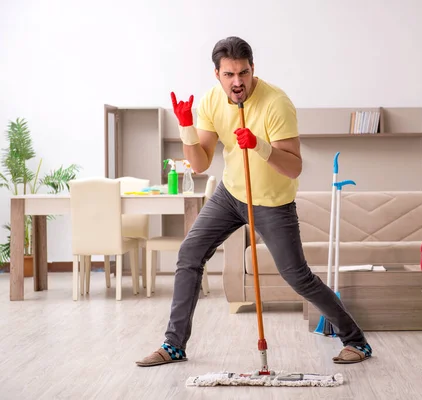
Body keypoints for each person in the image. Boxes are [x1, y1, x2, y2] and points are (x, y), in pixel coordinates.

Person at [135, 36, 372, 367]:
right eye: (229, 74)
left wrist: (260, 146)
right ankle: (174, 345)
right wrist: (187, 127)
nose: (237, 82)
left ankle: (356, 340)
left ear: (252, 70)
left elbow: (294, 166)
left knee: (297, 276)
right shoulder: (211, 101)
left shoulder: (276, 103)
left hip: (273, 202)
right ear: (217, 74)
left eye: (243, 73)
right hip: (231, 195)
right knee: (189, 253)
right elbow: (200, 164)